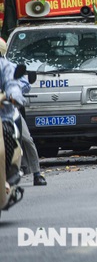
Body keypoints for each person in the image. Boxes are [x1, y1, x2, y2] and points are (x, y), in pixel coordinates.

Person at [0, 38, 46, 186]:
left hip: (8, 113)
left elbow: (20, 84)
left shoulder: (8, 67)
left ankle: (37, 173)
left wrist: (13, 95)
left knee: (26, 139)